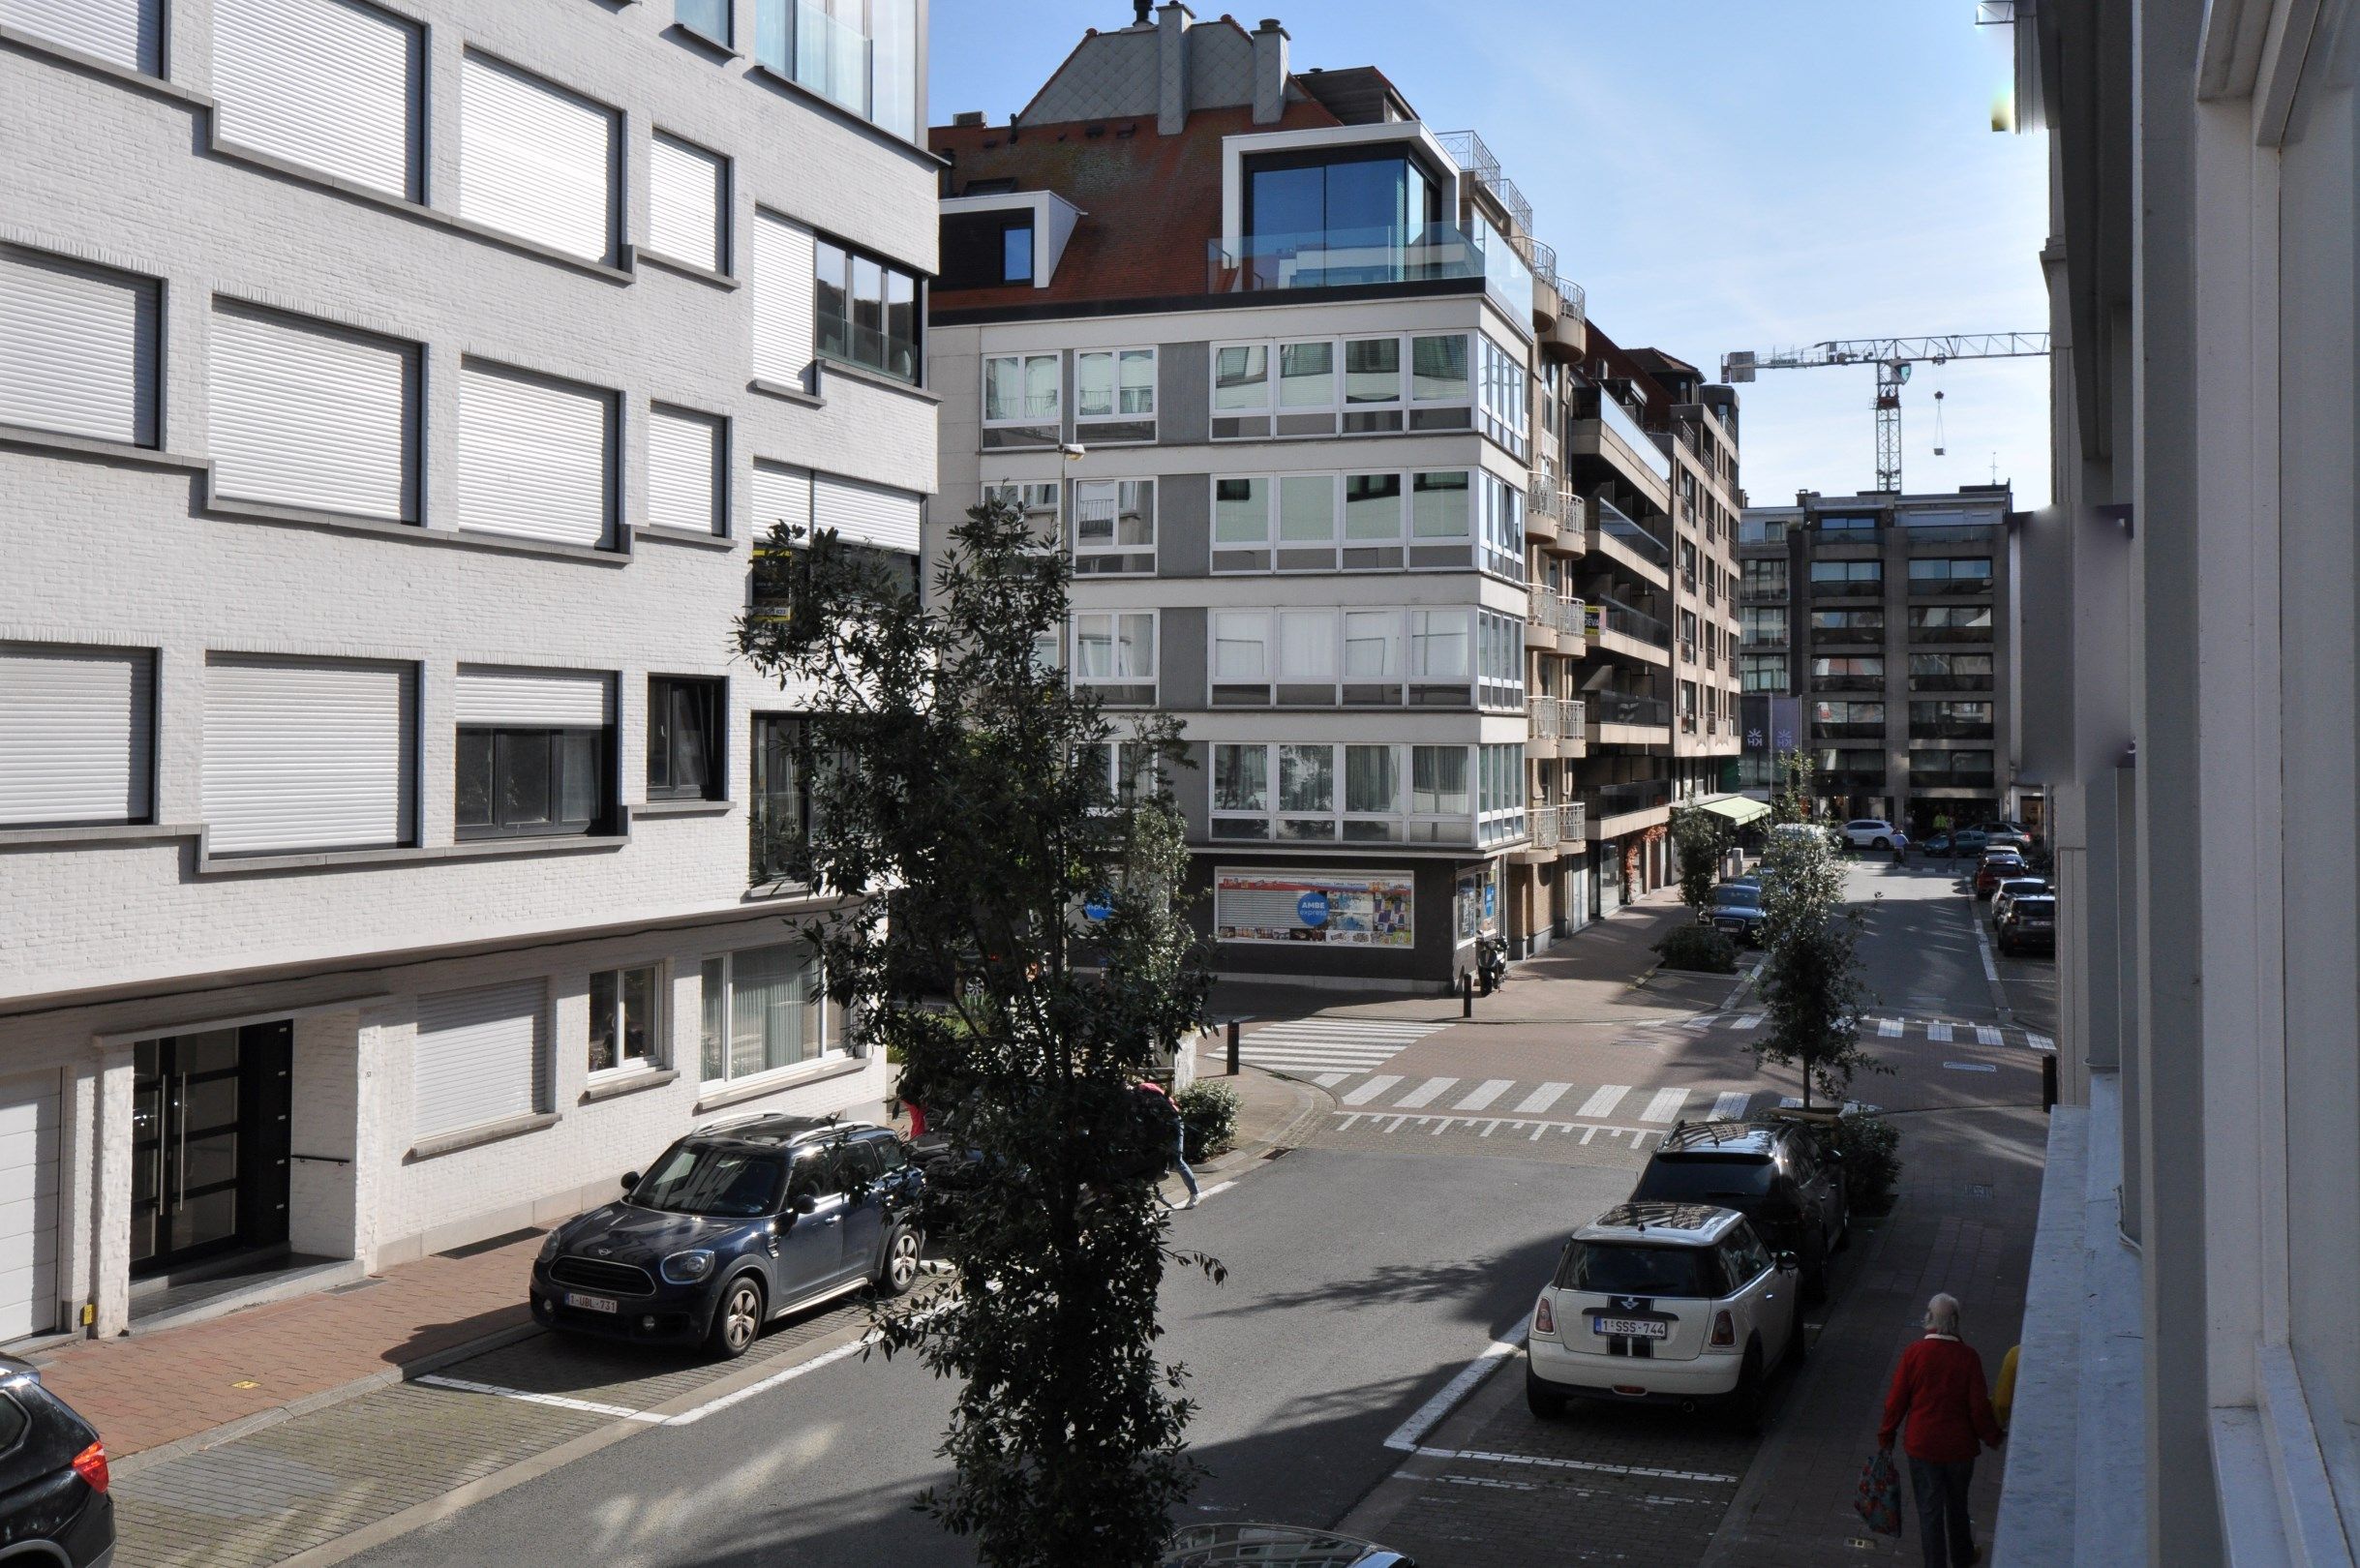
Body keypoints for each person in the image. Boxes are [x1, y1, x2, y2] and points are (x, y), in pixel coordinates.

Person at [1879, 1293, 2004, 1567]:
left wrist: (1887, 1435)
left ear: (1929, 1319)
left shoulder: (1914, 1354)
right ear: (1956, 1322)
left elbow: (1896, 1401)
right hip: (1959, 1450)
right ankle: (1962, 1558)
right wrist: (1992, 1436)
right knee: (1957, 1506)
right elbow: (1978, 1408)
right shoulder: (1968, 1358)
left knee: (1929, 1511)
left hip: (1922, 1447)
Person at [1135, 1077, 1198, 1210]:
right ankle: (1147, 1194)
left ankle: (1194, 1193)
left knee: (1176, 1160)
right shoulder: (1138, 1096)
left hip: (1172, 1125)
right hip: (1156, 1129)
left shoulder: (1146, 1093)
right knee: (1146, 1159)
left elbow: (1167, 1113)